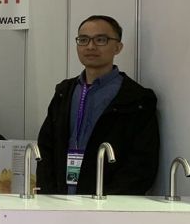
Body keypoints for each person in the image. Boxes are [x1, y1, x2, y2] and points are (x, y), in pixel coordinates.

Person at [36, 15, 159, 195]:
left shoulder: (136, 99)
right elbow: (46, 147)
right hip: (60, 199)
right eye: (83, 40)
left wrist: (105, 201)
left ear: (118, 47)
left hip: (108, 203)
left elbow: (142, 162)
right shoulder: (64, 92)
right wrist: (49, 195)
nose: (90, 46)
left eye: (100, 40)